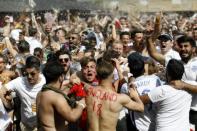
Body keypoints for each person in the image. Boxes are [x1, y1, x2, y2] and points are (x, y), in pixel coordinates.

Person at [85, 59, 144, 131]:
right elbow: (141, 108)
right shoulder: (120, 99)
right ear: (112, 75)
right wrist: (135, 96)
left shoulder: (88, 91)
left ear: (97, 74)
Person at [140, 59, 193, 131]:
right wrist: (185, 86)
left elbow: (139, 100)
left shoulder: (161, 90)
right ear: (183, 73)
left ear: (168, 73)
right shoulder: (190, 88)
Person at [36, 61, 86, 131]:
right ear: (61, 77)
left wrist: (70, 85)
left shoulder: (40, 93)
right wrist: (81, 104)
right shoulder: (56, 97)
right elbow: (72, 116)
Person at [0, 56, 46, 131]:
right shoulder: (20, 81)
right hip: (26, 125)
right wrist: (9, 104)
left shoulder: (45, 81)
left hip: (42, 125)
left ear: (39, 71)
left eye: (33, 74)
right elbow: (2, 90)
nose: (29, 77)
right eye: (26, 73)